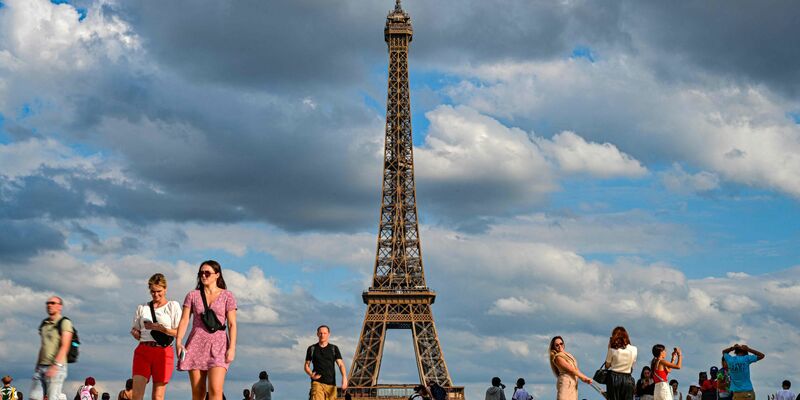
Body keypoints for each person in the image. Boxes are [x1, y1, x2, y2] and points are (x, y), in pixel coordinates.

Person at [177, 260, 238, 400]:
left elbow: (232, 324)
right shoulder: (192, 295)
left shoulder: (227, 296)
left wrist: (232, 348)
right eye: (201, 273)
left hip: (219, 345)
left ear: (217, 275)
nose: (203, 276)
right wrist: (179, 342)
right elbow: (184, 320)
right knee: (198, 392)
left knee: (215, 390)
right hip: (196, 344)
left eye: (207, 273)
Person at [130, 273, 182, 400]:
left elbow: (179, 332)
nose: (156, 294)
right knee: (136, 395)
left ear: (165, 289)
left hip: (163, 351)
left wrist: (161, 329)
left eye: (159, 291)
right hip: (143, 349)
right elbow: (136, 329)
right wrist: (135, 333)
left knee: (158, 396)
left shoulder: (173, 306)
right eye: (153, 291)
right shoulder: (142, 307)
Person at [30, 296, 73, 400]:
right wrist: (37, 365)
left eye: (53, 303)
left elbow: (65, 346)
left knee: (52, 397)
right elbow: (43, 346)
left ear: (60, 307)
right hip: (41, 367)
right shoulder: (44, 324)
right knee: (34, 397)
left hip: (57, 367)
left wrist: (56, 366)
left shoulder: (64, 322)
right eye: (48, 303)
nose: (49, 305)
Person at [304, 325, 348, 400]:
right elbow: (306, 366)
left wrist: (344, 377)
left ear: (328, 334)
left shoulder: (334, 348)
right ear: (317, 334)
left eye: (325, 333)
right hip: (317, 383)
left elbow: (340, 364)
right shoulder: (312, 349)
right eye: (320, 333)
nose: (322, 335)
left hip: (331, 385)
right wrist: (311, 374)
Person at [604, 327, 637, 400]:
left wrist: (609, 348)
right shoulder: (634, 349)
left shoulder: (612, 350)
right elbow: (632, 366)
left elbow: (607, 366)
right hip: (627, 378)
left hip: (614, 378)